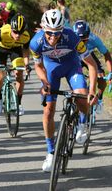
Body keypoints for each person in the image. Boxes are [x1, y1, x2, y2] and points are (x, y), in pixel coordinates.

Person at [29, 9, 98, 172]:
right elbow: (38, 66)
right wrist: (44, 82)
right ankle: (51, 153)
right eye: (49, 33)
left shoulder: (71, 37)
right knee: (48, 112)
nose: (53, 38)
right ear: (42, 28)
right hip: (51, 71)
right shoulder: (35, 42)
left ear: (63, 30)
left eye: (57, 33)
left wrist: (92, 91)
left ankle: (82, 122)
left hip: (72, 67)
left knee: (82, 97)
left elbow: (92, 64)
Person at [0, 14, 31, 115]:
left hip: (15, 51)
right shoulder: (2, 32)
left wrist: (27, 65)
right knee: (0, 76)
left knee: (19, 74)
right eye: (15, 32)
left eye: (20, 32)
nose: (17, 35)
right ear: (11, 28)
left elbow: (25, 50)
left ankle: (18, 104)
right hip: (1, 49)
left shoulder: (26, 36)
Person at [73, 20, 112, 112]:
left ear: (89, 34)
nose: (83, 42)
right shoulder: (70, 38)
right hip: (76, 57)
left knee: (101, 77)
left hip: (89, 56)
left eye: (85, 39)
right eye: (80, 39)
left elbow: (106, 55)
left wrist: (111, 72)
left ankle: (99, 99)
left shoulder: (94, 39)